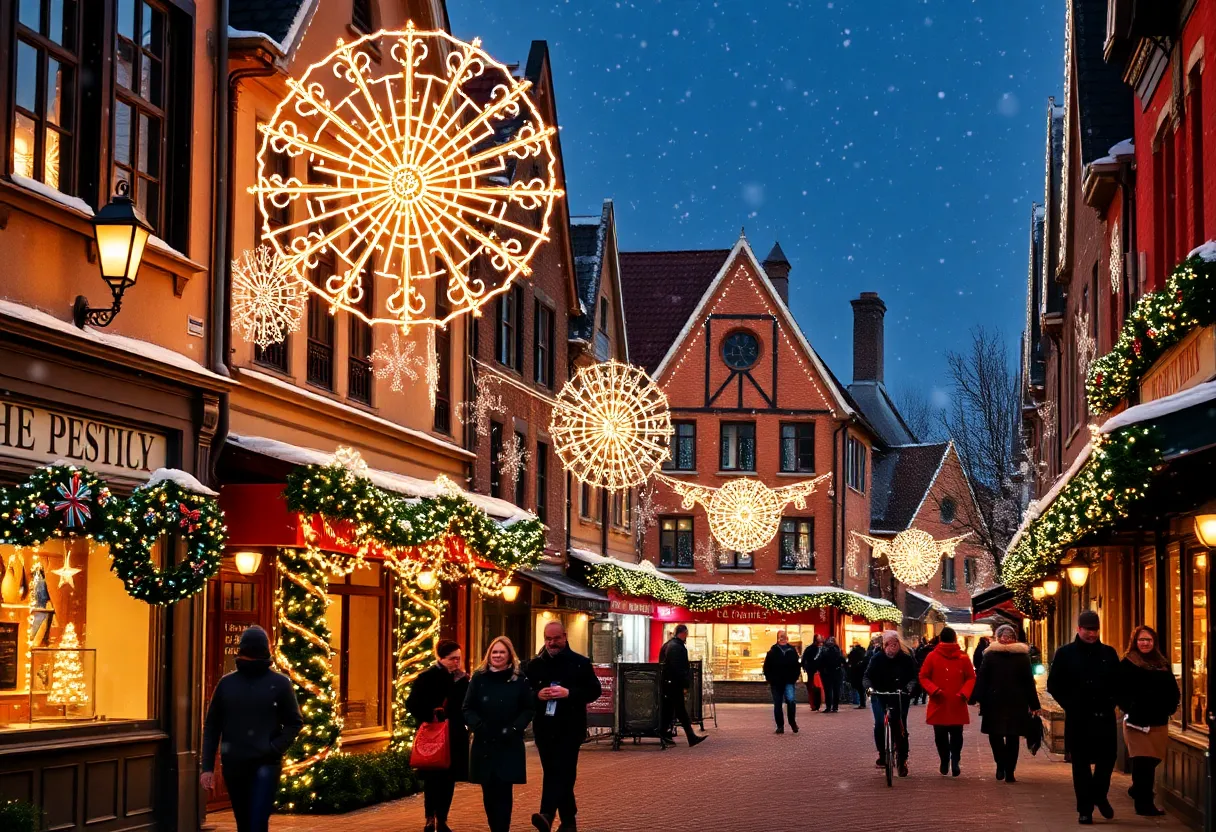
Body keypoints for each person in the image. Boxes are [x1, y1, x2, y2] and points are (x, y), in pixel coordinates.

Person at [200, 625, 302, 832]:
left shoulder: (280, 684)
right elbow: (212, 726)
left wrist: (273, 748)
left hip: (266, 764)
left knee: (256, 822)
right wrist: (207, 767)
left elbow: (294, 722)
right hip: (235, 764)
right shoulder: (227, 684)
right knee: (244, 822)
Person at [526, 621, 603, 832]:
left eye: (556, 639)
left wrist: (569, 693)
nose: (552, 643)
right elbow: (524, 695)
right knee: (555, 772)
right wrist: (537, 695)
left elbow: (594, 690)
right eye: (548, 639)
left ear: (565, 636)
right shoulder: (533, 666)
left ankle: (547, 814)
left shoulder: (580, 663)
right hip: (544, 728)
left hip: (570, 727)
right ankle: (569, 821)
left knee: (563, 771)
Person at [1047, 610, 1121, 825]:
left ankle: (1099, 794)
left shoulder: (1109, 653)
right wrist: (1070, 704)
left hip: (1104, 717)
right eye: (1088, 630)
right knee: (1080, 765)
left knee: (1107, 761)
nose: (1092, 634)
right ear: (1078, 629)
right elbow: (1054, 685)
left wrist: (1112, 702)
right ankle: (1085, 809)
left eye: (1095, 630)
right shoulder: (1065, 654)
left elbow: (1118, 683)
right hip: (1079, 719)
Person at [464, 636, 535, 832]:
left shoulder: (519, 680)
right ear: (489, 655)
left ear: (509, 655)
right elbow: (467, 708)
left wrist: (515, 728)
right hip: (484, 743)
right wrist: (477, 725)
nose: (497, 655)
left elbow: (528, 709)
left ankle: (502, 829)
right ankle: (495, 827)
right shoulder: (479, 678)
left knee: (504, 791)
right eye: (494, 652)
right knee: (488, 792)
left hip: (508, 743)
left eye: (502, 652)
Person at [406, 639, 470, 832]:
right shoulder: (427, 677)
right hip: (433, 735)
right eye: (452, 659)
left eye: (458, 659)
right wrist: (430, 713)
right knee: (433, 779)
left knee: (449, 779)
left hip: (454, 735)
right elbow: (411, 703)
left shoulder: (461, 679)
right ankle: (430, 817)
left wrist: (462, 681)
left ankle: (442, 818)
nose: (456, 663)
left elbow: (466, 705)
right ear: (440, 658)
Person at [1116, 625, 1180, 816]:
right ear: (1135, 642)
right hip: (1137, 722)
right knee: (1143, 762)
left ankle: (1136, 789)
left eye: (1148, 640)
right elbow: (1119, 691)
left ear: (1154, 642)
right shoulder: (1128, 663)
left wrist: (1171, 707)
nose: (1145, 643)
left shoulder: (1161, 663)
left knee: (1154, 759)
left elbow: (1172, 689)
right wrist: (1131, 707)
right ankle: (1144, 804)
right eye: (1141, 640)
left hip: (1158, 721)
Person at [972, 624, 1040, 783]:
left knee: (1002, 736)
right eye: (1004, 637)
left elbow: (1028, 682)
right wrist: (1033, 704)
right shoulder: (1012, 656)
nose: (1006, 640)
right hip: (1011, 702)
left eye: (1008, 637)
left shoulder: (996, 656)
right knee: (1009, 736)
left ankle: (1004, 766)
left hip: (997, 702)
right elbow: (983, 678)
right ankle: (1006, 768)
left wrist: (977, 697)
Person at [918, 626, 975, 777]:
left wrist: (934, 690)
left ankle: (944, 760)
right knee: (957, 734)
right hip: (957, 701)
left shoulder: (932, 656)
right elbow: (971, 677)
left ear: (940, 639)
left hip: (939, 701)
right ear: (955, 639)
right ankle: (955, 759)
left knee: (940, 735)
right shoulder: (963, 657)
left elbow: (923, 676)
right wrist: (964, 693)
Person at [862, 630, 919, 777]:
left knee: (900, 726)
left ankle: (902, 759)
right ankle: (882, 754)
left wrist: (909, 688)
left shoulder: (906, 659)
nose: (891, 648)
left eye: (894, 644)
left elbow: (914, 677)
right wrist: (869, 688)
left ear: (899, 644)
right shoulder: (877, 658)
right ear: (883, 645)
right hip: (880, 695)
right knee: (880, 723)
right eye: (888, 644)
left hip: (899, 695)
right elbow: (867, 676)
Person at [659, 625, 707, 747]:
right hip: (674, 684)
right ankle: (690, 737)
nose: (687, 636)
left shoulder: (669, 645)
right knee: (680, 710)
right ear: (683, 633)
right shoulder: (677, 647)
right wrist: (684, 684)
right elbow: (678, 668)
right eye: (686, 633)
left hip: (668, 683)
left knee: (670, 710)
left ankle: (665, 734)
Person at [762, 629, 802, 733]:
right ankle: (780, 726)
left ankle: (792, 722)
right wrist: (770, 678)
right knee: (778, 704)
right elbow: (767, 667)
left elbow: (797, 665)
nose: (783, 639)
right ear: (778, 638)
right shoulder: (773, 651)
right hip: (776, 682)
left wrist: (795, 677)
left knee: (791, 701)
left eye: (784, 636)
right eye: (781, 637)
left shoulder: (792, 650)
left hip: (789, 681)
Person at [817, 636, 844, 713]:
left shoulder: (824, 649)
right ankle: (834, 707)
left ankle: (829, 707)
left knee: (829, 690)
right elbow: (843, 660)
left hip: (828, 672)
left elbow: (820, 660)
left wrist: (821, 669)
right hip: (835, 672)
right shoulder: (838, 650)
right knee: (835, 690)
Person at [801, 634, 825, 711]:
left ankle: (814, 704)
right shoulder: (819, 649)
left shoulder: (809, 649)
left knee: (812, 688)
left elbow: (804, 659)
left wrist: (805, 667)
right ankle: (816, 704)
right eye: (820, 638)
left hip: (812, 671)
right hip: (815, 671)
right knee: (816, 688)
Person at [847, 640, 869, 708]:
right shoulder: (864, 652)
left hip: (856, 672)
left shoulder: (854, 652)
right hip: (862, 672)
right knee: (861, 688)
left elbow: (849, 658)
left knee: (859, 688)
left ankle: (861, 703)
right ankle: (863, 702)